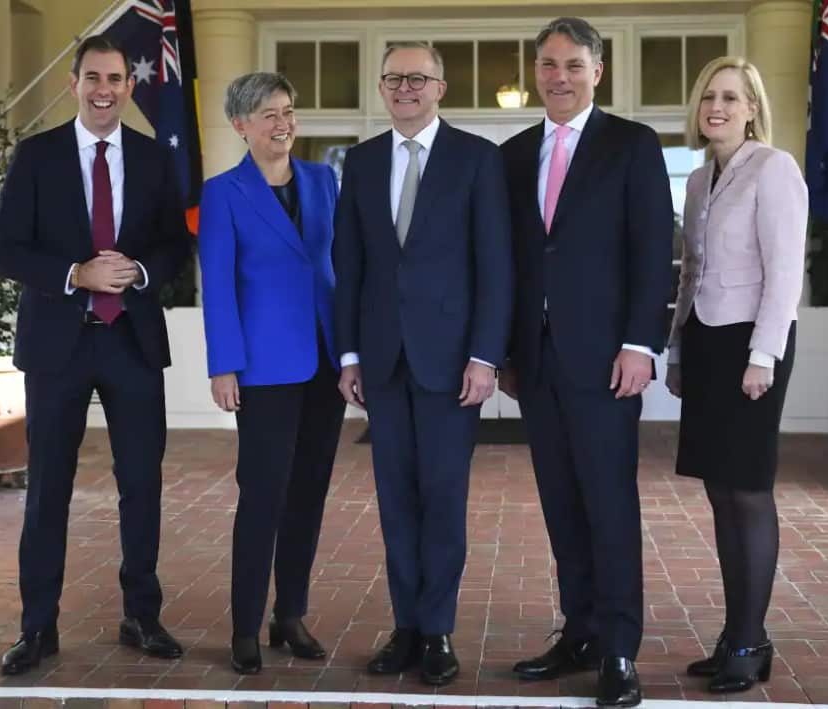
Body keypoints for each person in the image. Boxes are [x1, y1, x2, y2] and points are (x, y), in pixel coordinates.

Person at [0, 35, 191, 676]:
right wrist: (76, 272)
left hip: (131, 341)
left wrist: (137, 270)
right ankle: (37, 627)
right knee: (48, 488)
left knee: (142, 485)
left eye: (116, 78)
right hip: (59, 343)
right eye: (93, 77)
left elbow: (174, 245)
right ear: (73, 83)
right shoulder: (37, 156)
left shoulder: (154, 158)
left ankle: (142, 616)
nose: (105, 89)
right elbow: (6, 250)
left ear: (130, 86)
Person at [498, 17, 672, 708]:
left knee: (609, 503)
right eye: (547, 65)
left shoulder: (631, 145)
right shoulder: (511, 156)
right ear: (535, 71)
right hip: (536, 363)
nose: (559, 77)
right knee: (561, 504)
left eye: (572, 65)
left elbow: (652, 250)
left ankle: (620, 649)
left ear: (598, 72)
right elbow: (512, 262)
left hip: (606, 361)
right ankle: (581, 630)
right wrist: (509, 351)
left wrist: (641, 343)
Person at [333, 41, 512, 687]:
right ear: (382, 88)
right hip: (381, 360)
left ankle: (437, 629)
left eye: (418, 77)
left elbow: (495, 266)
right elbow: (348, 266)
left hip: (450, 364)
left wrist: (485, 355)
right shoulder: (359, 161)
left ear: (440, 87)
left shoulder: (476, 159)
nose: (405, 87)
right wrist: (348, 352)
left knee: (442, 497)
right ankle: (405, 625)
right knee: (394, 501)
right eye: (394, 78)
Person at [664, 56, 806, 694]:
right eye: (708, 98)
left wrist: (762, 356)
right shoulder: (698, 180)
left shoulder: (775, 170)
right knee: (720, 492)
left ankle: (751, 639)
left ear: (752, 109)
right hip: (706, 342)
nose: (715, 107)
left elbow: (785, 273)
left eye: (730, 97)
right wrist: (676, 352)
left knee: (748, 491)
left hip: (752, 344)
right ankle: (734, 635)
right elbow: (690, 273)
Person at [198, 72, 346, 675]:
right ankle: (244, 626)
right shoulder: (223, 192)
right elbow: (219, 285)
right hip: (262, 368)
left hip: (325, 362)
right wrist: (223, 365)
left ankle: (290, 615)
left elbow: (342, 266)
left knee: (308, 495)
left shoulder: (322, 180)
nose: (282, 123)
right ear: (241, 125)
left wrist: (353, 354)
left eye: (288, 111)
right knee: (262, 497)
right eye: (267, 114)